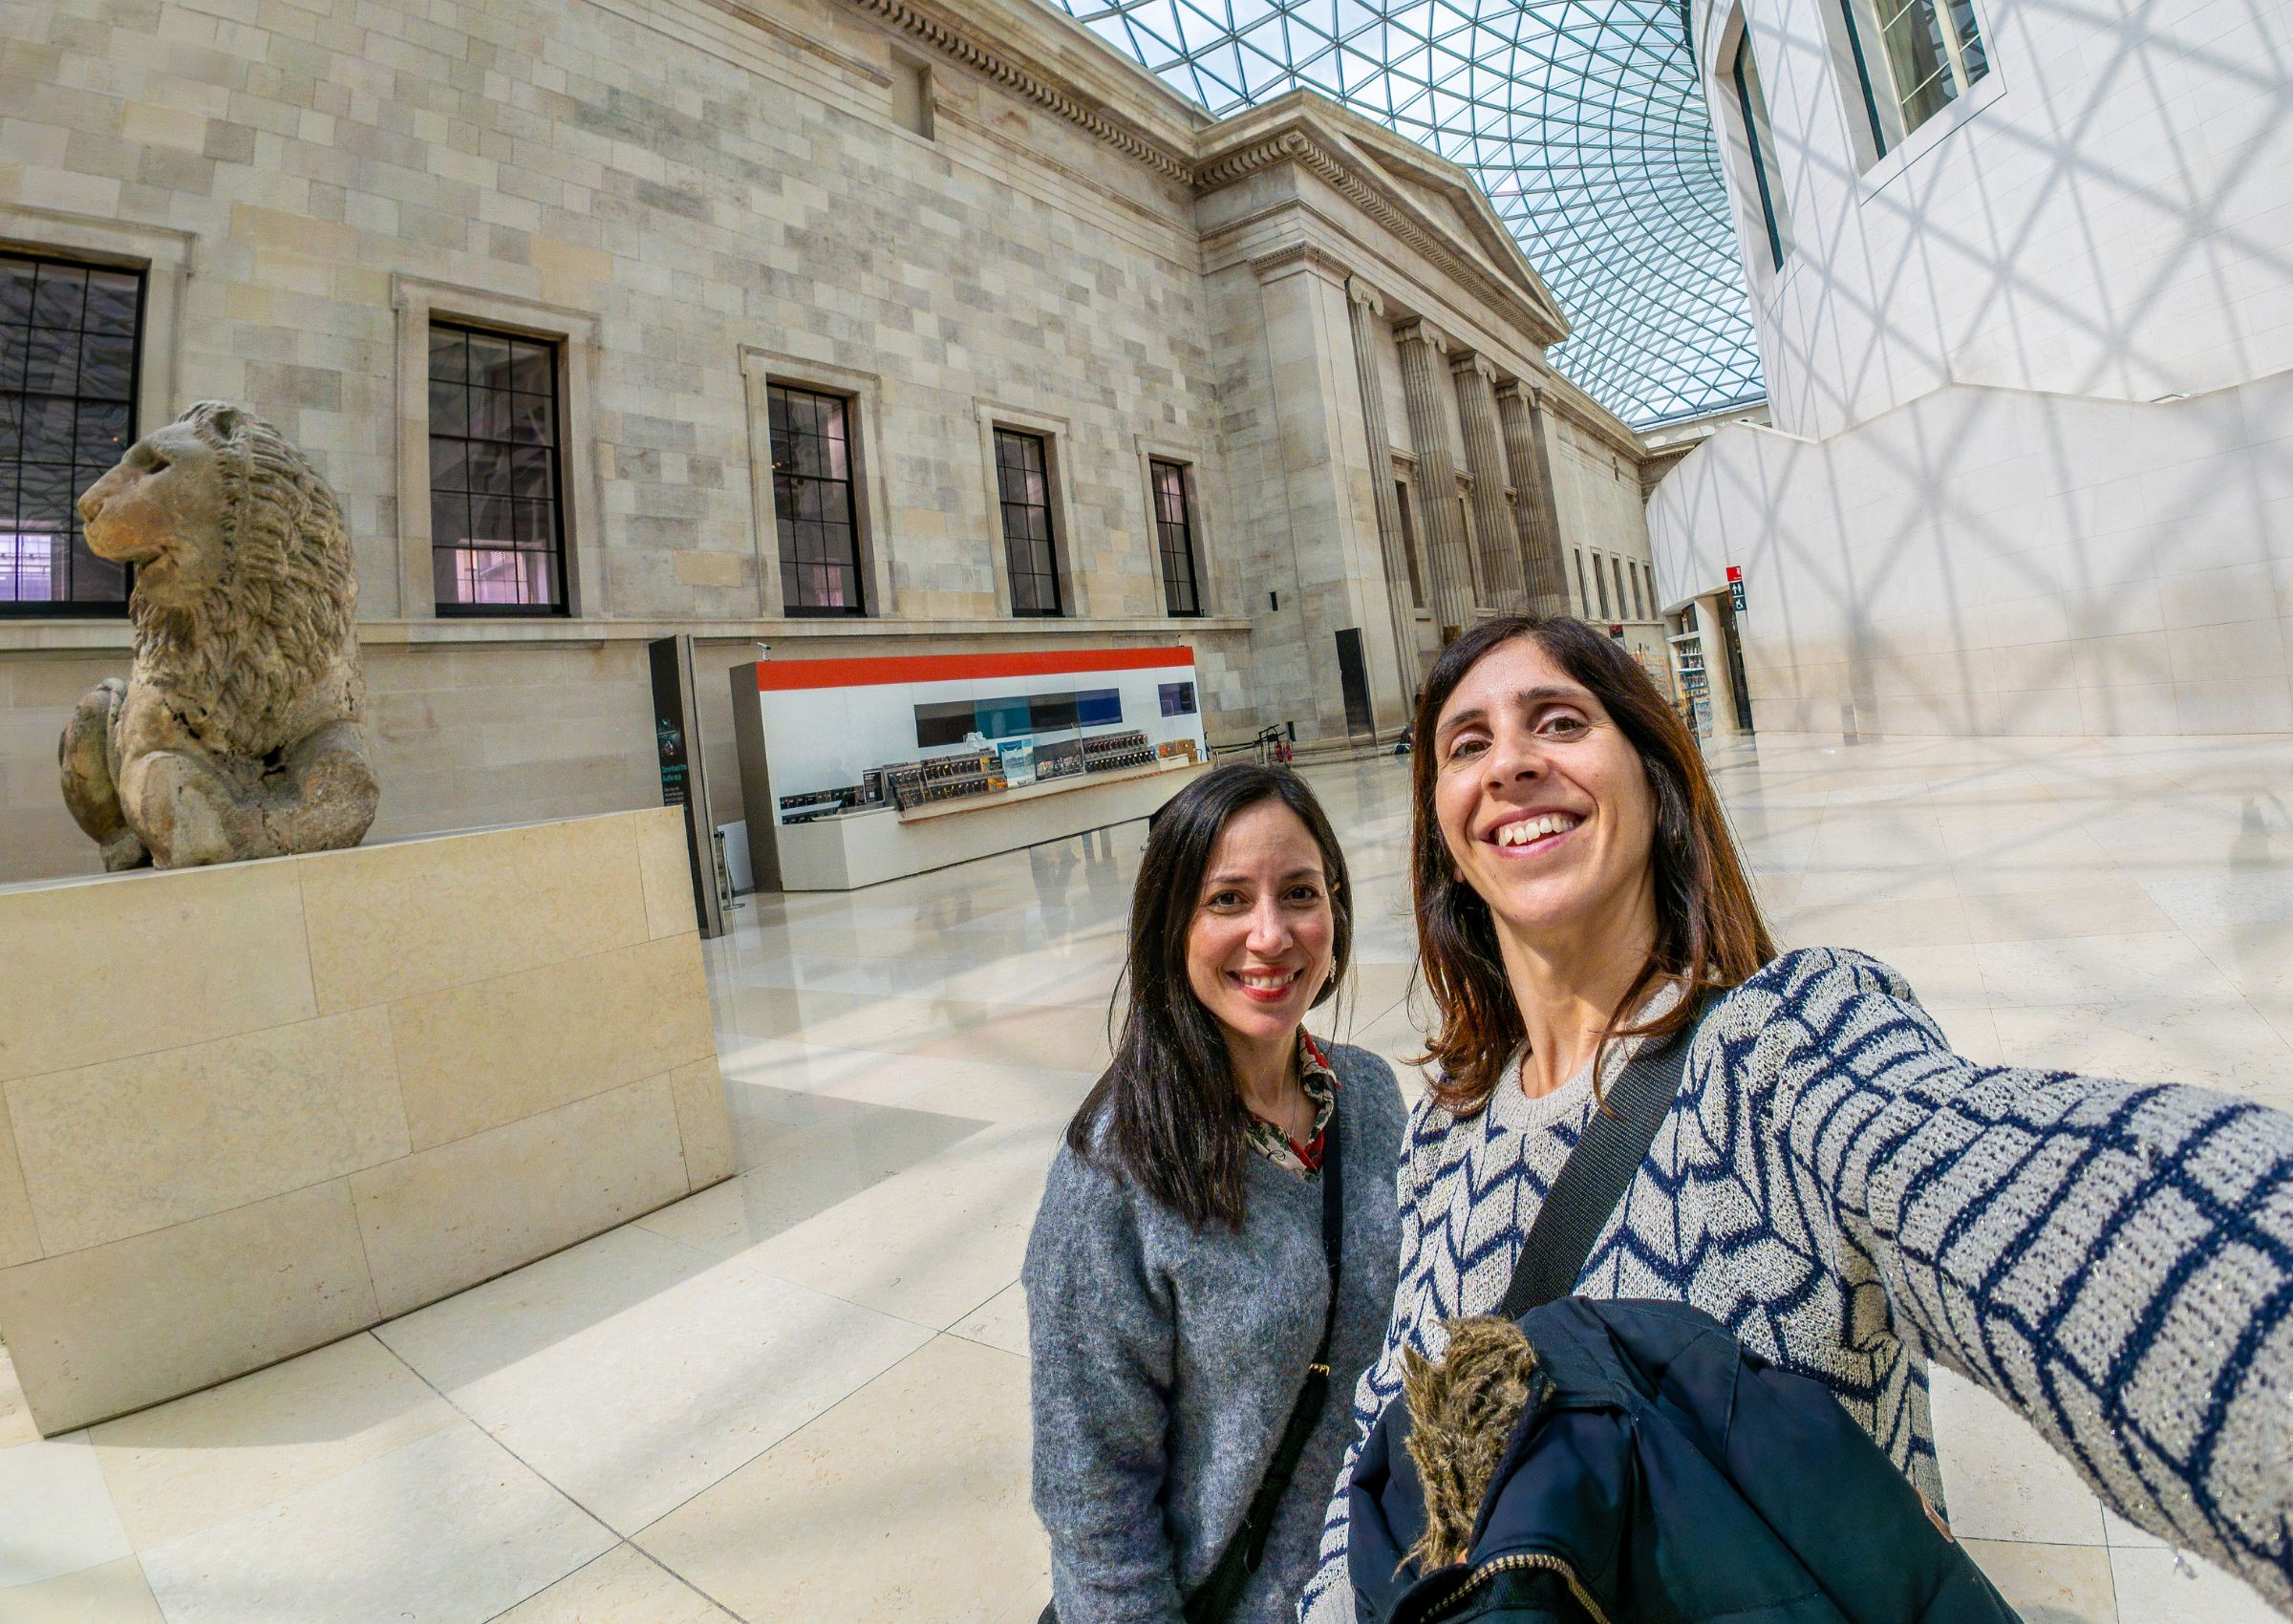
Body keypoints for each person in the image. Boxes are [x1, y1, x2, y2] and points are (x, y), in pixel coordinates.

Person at [1299, 614, 2293, 1621]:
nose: (1510, 761)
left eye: (1558, 721)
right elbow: (1387, 1430)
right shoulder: (1442, 1132)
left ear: (1657, 778)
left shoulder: (1785, 1045)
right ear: (1444, 838)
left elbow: (2044, 1199)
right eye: (1467, 743)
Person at [1026, 764, 1408, 1624]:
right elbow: (1094, 1505)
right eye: (1227, 900)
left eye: (1299, 893)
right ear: (1172, 927)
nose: (1270, 936)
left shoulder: (1371, 1097)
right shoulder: (1113, 1170)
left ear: (1336, 913)